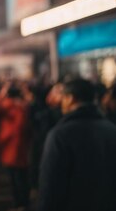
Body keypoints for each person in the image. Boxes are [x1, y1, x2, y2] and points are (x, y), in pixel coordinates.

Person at [38, 78, 116, 211]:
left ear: (70, 98)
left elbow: (50, 187)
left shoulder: (59, 135)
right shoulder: (111, 129)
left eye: (63, 97)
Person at [0, 83, 32, 211]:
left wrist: (2, 93)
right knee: (20, 176)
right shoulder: (23, 106)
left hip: (12, 145)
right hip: (19, 145)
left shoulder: (10, 106)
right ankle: (22, 202)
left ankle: (20, 203)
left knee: (17, 177)